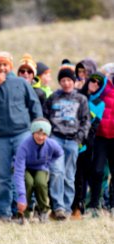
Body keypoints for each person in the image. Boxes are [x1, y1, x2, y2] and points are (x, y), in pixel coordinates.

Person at [0, 51, 42, 222]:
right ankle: (2, 213)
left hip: (21, 134)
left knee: (22, 173)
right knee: (0, 176)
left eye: (5, 65)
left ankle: (22, 211)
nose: (2, 68)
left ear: (11, 66)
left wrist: (38, 128)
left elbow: (34, 105)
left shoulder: (21, 83)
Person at [43, 67, 91, 220]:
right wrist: (49, 137)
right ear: (60, 82)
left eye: (69, 80)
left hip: (72, 141)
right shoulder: (53, 98)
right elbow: (45, 117)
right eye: (63, 80)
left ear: (74, 81)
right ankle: (58, 208)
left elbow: (86, 121)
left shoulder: (81, 99)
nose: (66, 83)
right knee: (57, 172)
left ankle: (68, 208)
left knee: (69, 176)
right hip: (55, 139)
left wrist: (79, 138)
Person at [71, 72, 106, 219]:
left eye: (99, 83)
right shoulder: (78, 96)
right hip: (71, 139)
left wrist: (83, 141)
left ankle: (81, 206)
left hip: (86, 144)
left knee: (83, 176)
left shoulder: (99, 103)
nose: (95, 84)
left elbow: (94, 126)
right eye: (93, 81)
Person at [14, 118, 64, 223]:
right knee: (28, 182)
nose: (41, 137)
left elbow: (60, 152)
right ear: (33, 132)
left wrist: (48, 162)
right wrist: (21, 196)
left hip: (41, 168)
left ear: (48, 135)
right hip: (25, 168)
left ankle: (43, 211)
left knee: (40, 183)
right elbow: (19, 171)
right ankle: (24, 214)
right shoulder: (24, 146)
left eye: (44, 134)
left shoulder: (51, 144)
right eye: (38, 133)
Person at [88, 67, 114, 218]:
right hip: (101, 137)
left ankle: (112, 205)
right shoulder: (104, 86)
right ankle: (93, 205)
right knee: (97, 171)